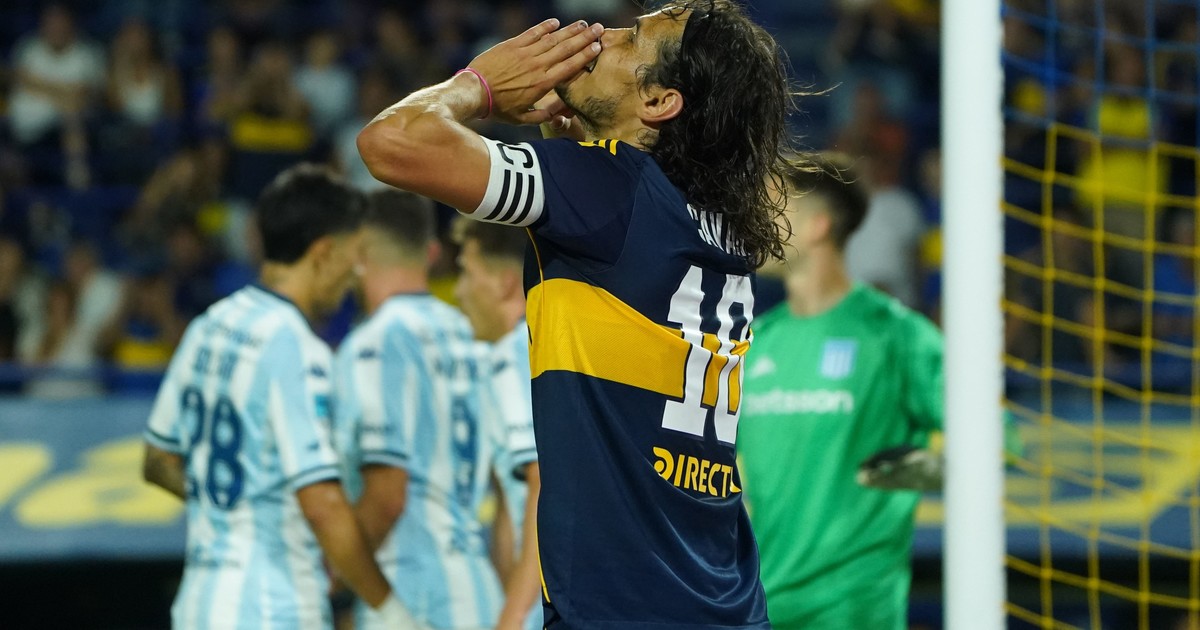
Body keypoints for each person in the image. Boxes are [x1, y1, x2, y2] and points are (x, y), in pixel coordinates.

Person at [357, 2, 801, 626]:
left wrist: (479, 85)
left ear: (659, 101)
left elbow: (390, 143)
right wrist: (578, 141)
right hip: (724, 600)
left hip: (622, 610)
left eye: (633, 37)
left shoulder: (607, 189)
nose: (602, 34)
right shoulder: (720, 225)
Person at [140, 164, 415, 629]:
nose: (356, 273)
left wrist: (231, 513)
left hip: (199, 606)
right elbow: (323, 504)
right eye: (353, 256)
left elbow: (157, 459)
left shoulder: (211, 325)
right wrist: (393, 614)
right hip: (272, 607)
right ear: (323, 253)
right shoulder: (297, 349)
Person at [738, 157, 943, 629]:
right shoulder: (754, 344)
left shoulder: (895, 335)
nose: (754, 220)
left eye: (772, 207)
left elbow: (996, 439)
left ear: (818, 226)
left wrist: (928, 471)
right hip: (761, 609)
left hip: (854, 611)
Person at [333, 189, 504, 629]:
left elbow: (388, 495)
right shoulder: (472, 334)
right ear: (430, 252)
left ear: (359, 253)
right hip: (478, 590)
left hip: (409, 593)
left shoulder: (374, 344)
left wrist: (334, 571)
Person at [451, 218, 541, 630]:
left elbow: (543, 482)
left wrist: (512, 616)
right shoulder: (542, 345)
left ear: (505, 284)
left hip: (548, 598)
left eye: (467, 274)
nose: (459, 292)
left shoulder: (513, 355)